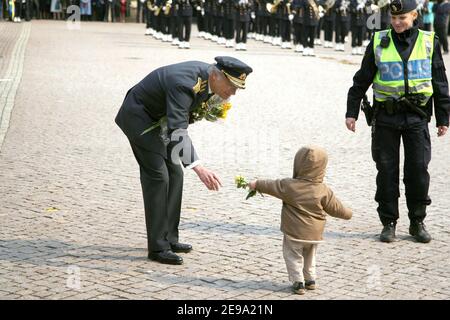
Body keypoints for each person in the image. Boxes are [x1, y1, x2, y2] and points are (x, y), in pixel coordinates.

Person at [115, 57, 253, 265]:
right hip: (139, 117)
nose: (234, 93)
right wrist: (199, 168)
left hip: (163, 120)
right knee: (158, 176)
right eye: (232, 86)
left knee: (176, 173)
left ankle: (170, 237)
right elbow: (178, 130)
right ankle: (158, 247)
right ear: (216, 75)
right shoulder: (184, 82)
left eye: (237, 88)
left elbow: (180, 122)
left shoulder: (208, 80)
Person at [346, 0, 449, 243]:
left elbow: (440, 82)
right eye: (393, 18)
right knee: (386, 171)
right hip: (385, 118)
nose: (397, 22)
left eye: (402, 18)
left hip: (417, 117)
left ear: (414, 16)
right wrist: (352, 112)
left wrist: (443, 118)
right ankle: (388, 222)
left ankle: (417, 221)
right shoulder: (379, 41)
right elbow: (362, 79)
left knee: (418, 170)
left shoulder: (428, 41)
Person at [248, 146, 352, 295]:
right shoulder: (323, 190)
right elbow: (337, 208)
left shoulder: (289, 185)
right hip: (314, 234)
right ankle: (310, 280)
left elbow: (270, 185)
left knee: (293, 255)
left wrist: (256, 184)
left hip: (294, 232)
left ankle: (298, 282)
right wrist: (348, 214)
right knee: (310, 256)